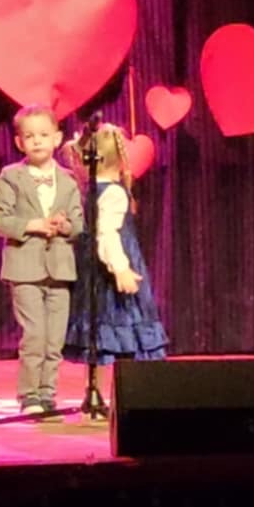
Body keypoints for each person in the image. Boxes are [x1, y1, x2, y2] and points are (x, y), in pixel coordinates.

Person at [0, 105, 84, 419]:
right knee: (35, 334)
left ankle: (47, 394)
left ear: (57, 138)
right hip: (25, 269)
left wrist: (63, 225)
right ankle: (29, 393)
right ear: (20, 143)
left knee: (54, 338)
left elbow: (78, 224)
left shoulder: (68, 180)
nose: (37, 141)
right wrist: (33, 225)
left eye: (44, 134)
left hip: (59, 269)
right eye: (29, 136)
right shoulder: (11, 176)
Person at [63, 123, 171, 376]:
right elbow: (107, 234)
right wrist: (121, 269)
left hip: (93, 272)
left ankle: (99, 389)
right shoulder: (112, 192)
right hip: (109, 274)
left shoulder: (92, 189)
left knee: (100, 340)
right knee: (121, 331)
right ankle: (124, 388)